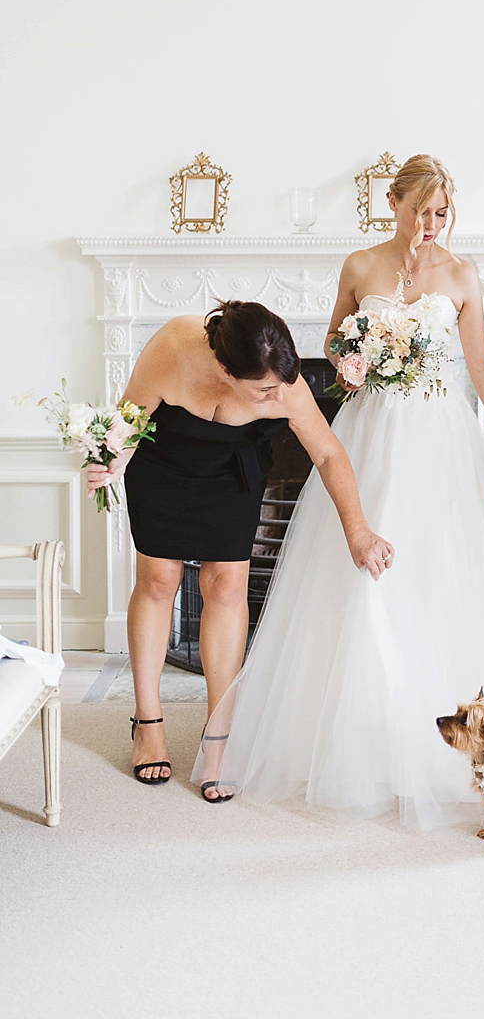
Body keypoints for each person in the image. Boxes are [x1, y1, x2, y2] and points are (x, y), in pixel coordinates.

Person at [193, 154, 484, 828]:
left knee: (437, 577)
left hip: (440, 440)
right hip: (371, 434)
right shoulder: (360, 266)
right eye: (420, 211)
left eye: (442, 213)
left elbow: (479, 362)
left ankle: (448, 747)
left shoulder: (461, 274)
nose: (430, 225)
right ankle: (358, 747)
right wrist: (348, 359)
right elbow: (334, 341)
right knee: (361, 581)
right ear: (391, 203)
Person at [86, 301, 389, 795]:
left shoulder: (283, 383)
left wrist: (358, 531)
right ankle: (148, 725)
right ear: (226, 371)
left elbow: (329, 453)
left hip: (232, 475)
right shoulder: (173, 348)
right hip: (164, 466)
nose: (277, 395)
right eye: (263, 389)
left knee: (227, 588)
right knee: (159, 582)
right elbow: (128, 421)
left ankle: (219, 738)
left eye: (279, 385)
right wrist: (107, 462)